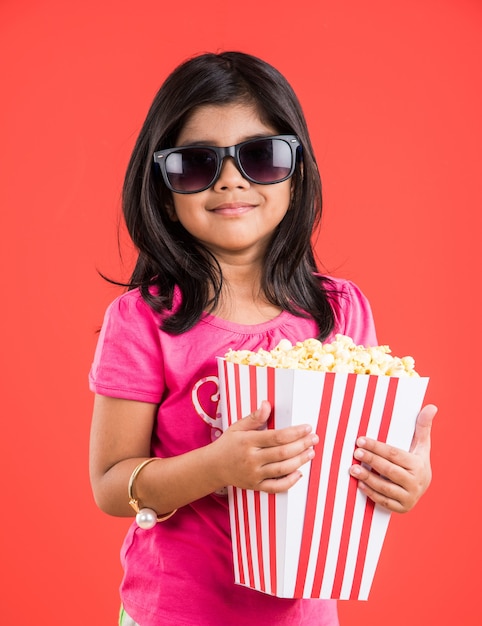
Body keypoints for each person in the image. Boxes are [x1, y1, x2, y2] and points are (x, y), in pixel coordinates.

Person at [89, 51, 437, 626]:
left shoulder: (337, 312)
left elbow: (356, 462)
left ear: (296, 179)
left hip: (304, 614)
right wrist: (217, 466)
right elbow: (109, 484)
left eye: (260, 157)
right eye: (197, 164)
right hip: (174, 612)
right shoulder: (144, 321)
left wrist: (403, 478)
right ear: (165, 192)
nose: (231, 179)